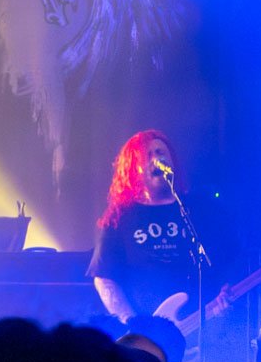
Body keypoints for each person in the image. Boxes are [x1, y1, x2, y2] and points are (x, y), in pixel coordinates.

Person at [88, 130, 229, 323]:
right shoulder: (120, 215)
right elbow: (105, 277)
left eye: (161, 152)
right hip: (145, 330)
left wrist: (221, 298)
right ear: (133, 167)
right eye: (148, 155)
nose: (157, 158)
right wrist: (132, 323)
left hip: (198, 327)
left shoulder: (196, 209)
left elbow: (222, 257)